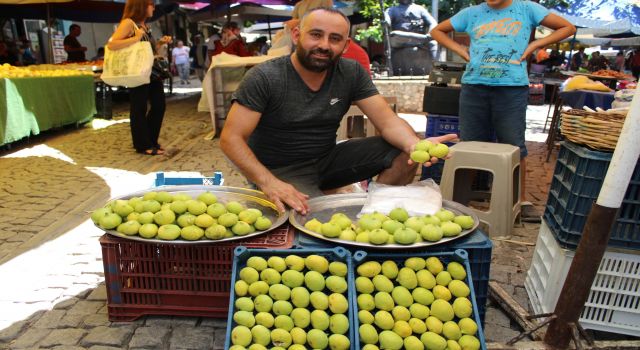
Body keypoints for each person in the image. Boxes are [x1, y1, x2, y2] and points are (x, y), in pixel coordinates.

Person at [220, 7, 455, 214]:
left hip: (327, 159)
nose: (324, 45)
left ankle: (377, 213)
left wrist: (415, 145)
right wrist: (268, 182)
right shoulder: (265, 77)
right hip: (280, 170)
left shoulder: (350, 72)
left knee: (406, 153)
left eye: (335, 38)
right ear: (296, 35)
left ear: (345, 45)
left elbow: (387, 122)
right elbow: (231, 139)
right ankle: (284, 193)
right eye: (315, 35)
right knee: (313, 221)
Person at [430, 0, 575, 222]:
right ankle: (459, 201)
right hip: (474, 87)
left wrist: (534, 45)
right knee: (469, 145)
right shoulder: (472, 13)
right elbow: (437, 30)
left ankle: (521, 201)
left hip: (512, 88)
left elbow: (567, 27)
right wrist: (460, 50)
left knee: (514, 145)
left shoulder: (527, 9)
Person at [107, 0, 172, 156]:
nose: (153, 7)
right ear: (141, 6)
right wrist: (135, 38)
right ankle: (143, 145)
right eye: (151, 4)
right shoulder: (129, 23)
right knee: (139, 107)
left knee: (159, 105)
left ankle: (151, 140)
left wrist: (160, 44)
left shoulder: (144, 25)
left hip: (150, 71)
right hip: (137, 72)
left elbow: (144, 50)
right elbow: (112, 44)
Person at [385, 0, 437, 75]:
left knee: (433, 43)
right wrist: (385, 22)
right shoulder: (392, 10)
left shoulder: (420, 9)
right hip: (400, 39)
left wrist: (430, 33)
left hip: (418, 39)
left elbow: (433, 22)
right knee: (395, 34)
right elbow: (387, 21)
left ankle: (436, 69)